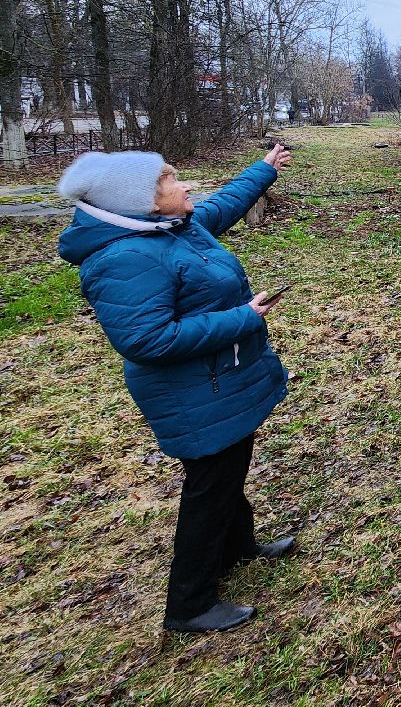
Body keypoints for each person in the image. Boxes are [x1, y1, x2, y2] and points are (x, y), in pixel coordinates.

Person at [56, 143, 296, 633]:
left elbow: (220, 205)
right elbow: (145, 340)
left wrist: (263, 170)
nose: (184, 186)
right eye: (170, 182)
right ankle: (189, 604)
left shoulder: (171, 229)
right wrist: (241, 319)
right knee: (211, 485)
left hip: (214, 381)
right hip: (193, 392)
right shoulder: (125, 258)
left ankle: (240, 549)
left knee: (226, 471)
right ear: (141, 202)